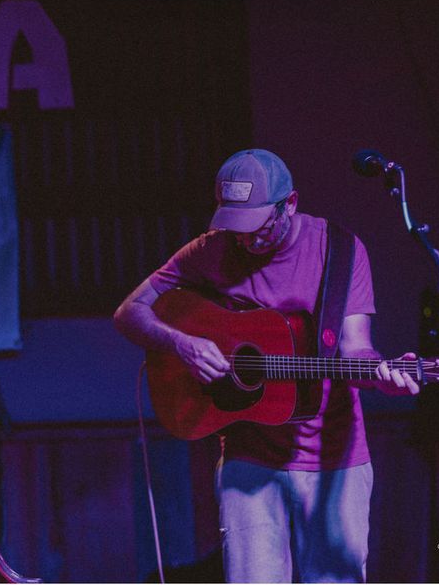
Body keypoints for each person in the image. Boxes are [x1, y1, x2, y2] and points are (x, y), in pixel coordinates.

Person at [113, 149, 418, 583]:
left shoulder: (339, 250)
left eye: (257, 226)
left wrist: (383, 377)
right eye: (236, 227)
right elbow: (129, 312)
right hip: (249, 456)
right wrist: (182, 344)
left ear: (289, 203)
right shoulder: (212, 249)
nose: (246, 240)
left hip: (334, 455)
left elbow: (355, 350)